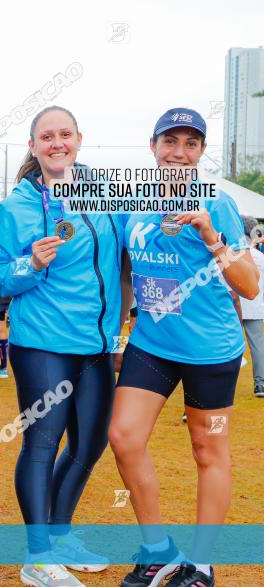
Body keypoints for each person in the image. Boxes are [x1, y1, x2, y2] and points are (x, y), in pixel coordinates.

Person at [109, 108, 260, 587]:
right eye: (170, 141)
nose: (179, 152)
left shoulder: (216, 203)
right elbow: (125, 273)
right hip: (152, 344)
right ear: (152, 147)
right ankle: (157, 550)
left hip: (211, 351)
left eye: (190, 144)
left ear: (200, 152)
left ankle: (200, 564)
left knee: (207, 449)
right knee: (124, 437)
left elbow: (250, 285)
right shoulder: (130, 201)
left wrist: (211, 236)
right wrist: (115, 334)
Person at [0, 106, 130, 587]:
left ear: (78, 139)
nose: (57, 143)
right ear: (33, 146)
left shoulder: (104, 196)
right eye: (46, 136)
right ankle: (38, 555)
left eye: (64, 134)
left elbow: (132, 244)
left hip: (96, 345)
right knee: (43, 442)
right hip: (43, 344)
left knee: (89, 444)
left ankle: (61, 534)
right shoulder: (16, 207)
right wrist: (31, 264)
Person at [240, 215, 264, 398]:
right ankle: (260, 383)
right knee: (257, 345)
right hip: (254, 305)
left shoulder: (233, 254)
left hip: (234, 306)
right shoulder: (259, 256)